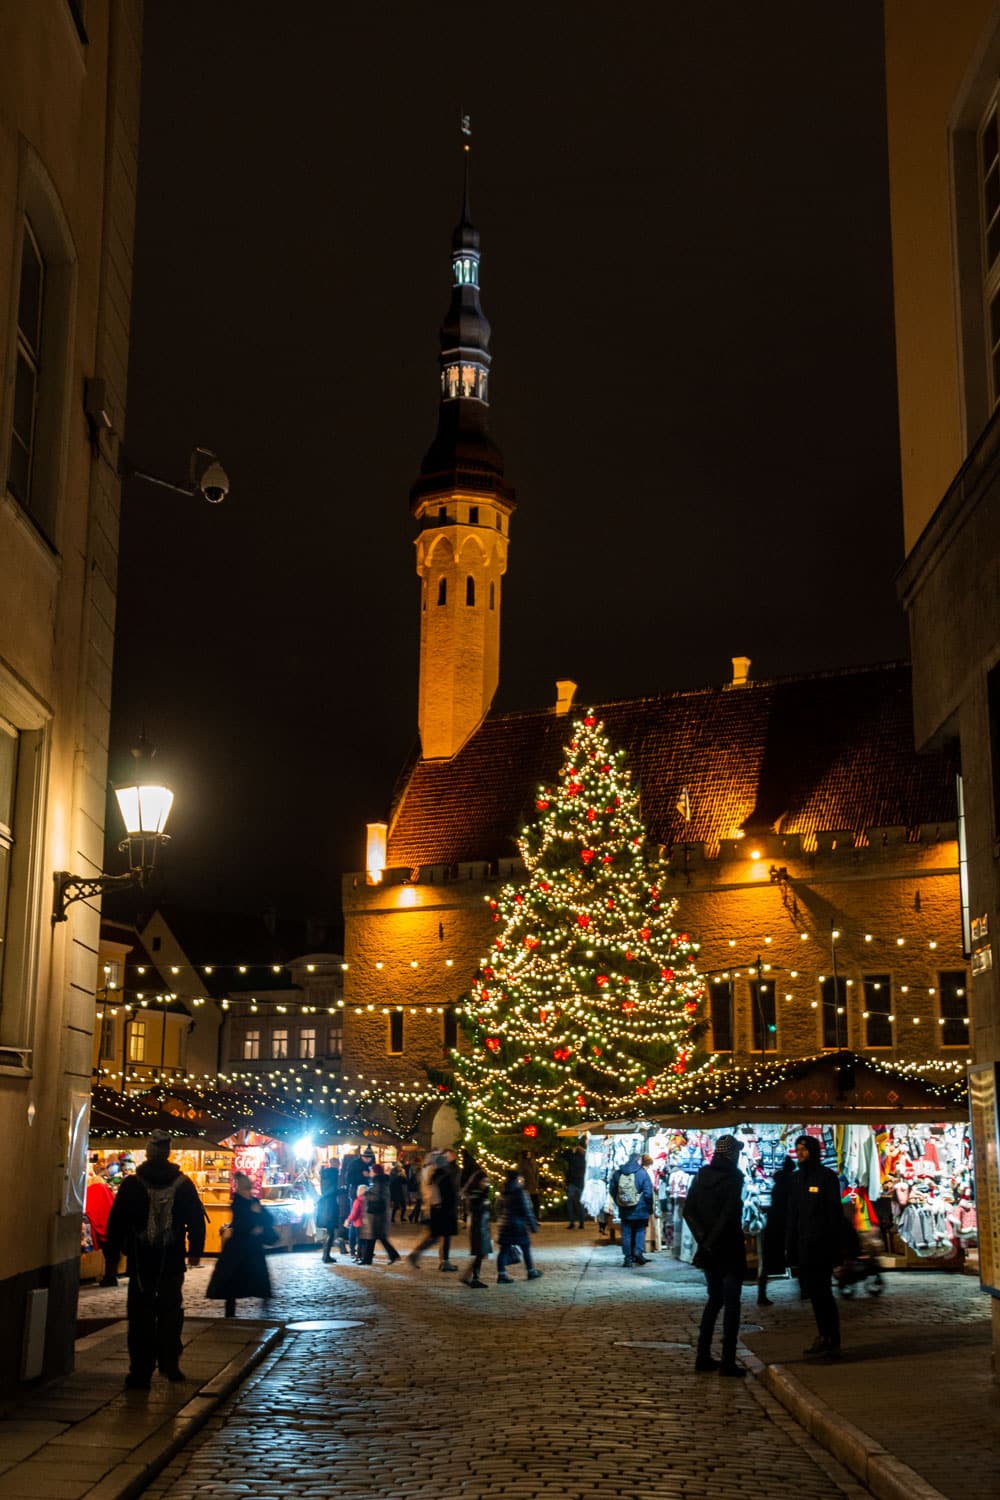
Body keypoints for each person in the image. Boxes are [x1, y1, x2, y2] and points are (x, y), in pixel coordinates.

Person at [103, 1129, 206, 1390]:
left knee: (140, 1314)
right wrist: (195, 1250)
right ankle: (170, 1363)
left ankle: (140, 1370)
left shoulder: (132, 1184)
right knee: (171, 1311)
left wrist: (112, 1259)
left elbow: (116, 1223)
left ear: (148, 1154)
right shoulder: (183, 1184)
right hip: (171, 1258)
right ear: (168, 1154)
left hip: (140, 1258)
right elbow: (195, 1219)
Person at [683, 1133, 747, 1378]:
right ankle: (728, 1361)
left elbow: (689, 1211)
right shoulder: (734, 1178)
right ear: (732, 1154)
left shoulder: (701, 1176)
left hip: (709, 1251)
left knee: (714, 1300)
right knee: (732, 1304)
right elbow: (729, 1213)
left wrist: (703, 1241)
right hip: (729, 1247)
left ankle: (703, 1355)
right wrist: (713, 1240)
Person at [787, 1134, 848, 1356]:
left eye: (804, 1149)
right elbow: (792, 1215)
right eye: (798, 1149)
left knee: (823, 1292)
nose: (800, 1153)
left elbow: (834, 1214)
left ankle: (831, 1338)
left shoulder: (826, 1177)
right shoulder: (795, 1179)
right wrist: (790, 1246)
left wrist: (837, 1250)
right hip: (804, 1245)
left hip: (822, 1244)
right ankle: (824, 1335)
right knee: (814, 1293)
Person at [206, 1171, 278, 1316]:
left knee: (258, 1276)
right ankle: (230, 1311)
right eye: (245, 1190)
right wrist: (253, 1226)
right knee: (233, 1279)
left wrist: (259, 1217)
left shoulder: (253, 1201)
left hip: (251, 1246)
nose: (247, 1192)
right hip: (239, 1246)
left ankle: (264, 1308)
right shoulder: (238, 1203)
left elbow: (269, 1219)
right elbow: (239, 1224)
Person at [408, 1150, 460, 1270]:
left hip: (436, 1207)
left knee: (436, 1236)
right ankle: (441, 1261)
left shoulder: (430, 1171)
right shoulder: (436, 1172)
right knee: (439, 1235)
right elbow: (442, 1191)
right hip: (439, 1208)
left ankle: (439, 1260)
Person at [758, 1156, 795, 1305]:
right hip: (785, 1224)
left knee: (768, 1262)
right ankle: (806, 1289)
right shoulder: (791, 1183)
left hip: (773, 1224)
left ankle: (761, 1294)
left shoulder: (778, 1184)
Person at [609, 1149, 653, 1267]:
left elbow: (612, 1189)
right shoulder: (642, 1173)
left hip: (625, 1209)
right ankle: (638, 1252)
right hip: (641, 1208)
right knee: (640, 1230)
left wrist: (619, 1201)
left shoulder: (619, 1172)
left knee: (626, 1233)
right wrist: (649, 1207)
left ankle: (628, 1258)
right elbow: (648, 1193)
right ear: (639, 1161)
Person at [496, 1168, 542, 1282]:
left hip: (505, 1224)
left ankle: (501, 1274)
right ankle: (531, 1271)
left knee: (504, 1250)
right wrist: (533, 1226)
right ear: (517, 1179)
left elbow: (498, 1208)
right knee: (525, 1247)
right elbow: (527, 1210)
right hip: (518, 1225)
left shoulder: (503, 1191)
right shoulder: (521, 1192)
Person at [358, 1164, 401, 1265]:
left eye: (371, 1171)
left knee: (375, 1237)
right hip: (377, 1214)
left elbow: (376, 1197)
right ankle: (368, 1259)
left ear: (375, 1172)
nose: (370, 1173)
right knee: (373, 1237)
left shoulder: (379, 1182)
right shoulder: (380, 1181)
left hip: (376, 1214)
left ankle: (391, 1255)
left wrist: (365, 1193)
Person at [460, 1166, 492, 1287]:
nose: (486, 1184)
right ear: (478, 1181)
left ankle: (470, 1276)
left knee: (481, 1253)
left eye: (487, 1181)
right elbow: (476, 1209)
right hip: (478, 1226)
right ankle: (473, 1278)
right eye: (484, 1181)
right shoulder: (475, 1194)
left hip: (482, 1225)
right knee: (481, 1252)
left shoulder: (479, 1193)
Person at [315, 1167, 341, 1263]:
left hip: (325, 1210)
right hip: (329, 1210)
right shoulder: (332, 1183)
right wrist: (341, 1191)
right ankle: (326, 1256)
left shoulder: (325, 1181)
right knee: (330, 1233)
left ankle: (326, 1255)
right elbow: (333, 1193)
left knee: (329, 1233)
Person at [563, 1141, 587, 1230]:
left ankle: (577, 1222)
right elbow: (565, 1156)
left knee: (575, 1203)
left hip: (575, 1182)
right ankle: (577, 1222)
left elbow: (566, 1157)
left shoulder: (579, 1156)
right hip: (576, 1182)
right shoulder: (582, 1156)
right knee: (576, 1203)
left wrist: (572, 1152)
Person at [517, 1149, 541, 1220]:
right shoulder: (522, 1164)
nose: (529, 1155)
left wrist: (536, 1183)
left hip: (533, 1187)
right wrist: (521, 1185)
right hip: (526, 1187)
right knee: (526, 1204)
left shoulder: (533, 1163)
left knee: (535, 1203)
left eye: (530, 1154)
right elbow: (520, 1175)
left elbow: (537, 1173)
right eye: (528, 1154)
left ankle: (535, 1218)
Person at [345, 1184, 367, 1260]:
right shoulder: (367, 1200)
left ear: (360, 1191)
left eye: (358, 1190)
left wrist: (348, 1220)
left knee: (359, 1241)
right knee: (364, 1241)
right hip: (365, 1223)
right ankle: (364, 1255)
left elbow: (354, 1214)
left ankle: (359, 1256)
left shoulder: (358, 1201)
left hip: (358, 1223)